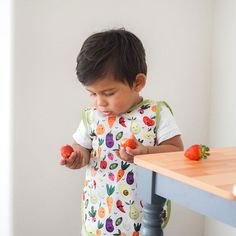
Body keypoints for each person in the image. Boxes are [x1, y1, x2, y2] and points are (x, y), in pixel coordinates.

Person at [60, 28, 184, 236]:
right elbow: (82, 149)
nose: (99, 103)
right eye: (92, 94)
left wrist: (145, 152)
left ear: (138, 83)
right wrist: (76, 157)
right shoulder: (92, 117)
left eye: (108, 93)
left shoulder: (156, 113)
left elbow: (176, 152)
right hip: (98, 212)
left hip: (142, 215)